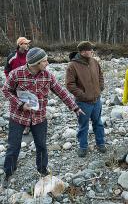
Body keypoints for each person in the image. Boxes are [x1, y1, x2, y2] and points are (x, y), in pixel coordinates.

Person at [1, 47, 84, 188]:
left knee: (41, 146)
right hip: (18, 116)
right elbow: (6, 91)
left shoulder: (47, 75)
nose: (47, 63)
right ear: (37, 63)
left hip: (39, 117)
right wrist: (20, 104)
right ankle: (8, 172)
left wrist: (74, 107)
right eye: (45, 60)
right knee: (13, 147)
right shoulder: (16, 73)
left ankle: (42, 170)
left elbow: (61, 92)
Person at [65, 41, 106, 158]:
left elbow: (100, 75)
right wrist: (82, 95)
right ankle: (83, 147)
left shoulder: (94, 62)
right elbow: (70, 84)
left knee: (98, 122)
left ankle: (101, 143)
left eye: (92, 49)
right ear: (83, 51)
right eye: (90, 49)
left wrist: (100, 87)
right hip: (83, 102)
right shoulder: (72, 65)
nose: (92, 51)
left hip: (97, 100)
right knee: (83, 125)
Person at [4, 37, 31, 135]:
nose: (28, 45)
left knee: (28, 103)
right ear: (20, 45)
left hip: (28, 83)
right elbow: (6, 70)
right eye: (26, 44)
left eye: (28, 44)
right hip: (15, 85)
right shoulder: (12, 56)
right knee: (16, 103)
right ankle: (17, 123)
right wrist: (10, 81)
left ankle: (28, 125)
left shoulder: (29, 55)